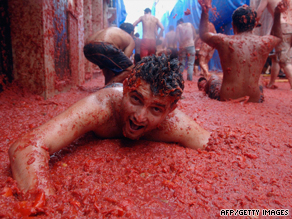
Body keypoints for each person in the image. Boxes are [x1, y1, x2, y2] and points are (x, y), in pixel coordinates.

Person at [8, 54, 210, 199]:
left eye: (155, 109)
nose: (139, 117)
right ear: (126, 90)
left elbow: (211, 145)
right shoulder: (99, 108)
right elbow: (26, 146)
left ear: (170, 110)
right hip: (110, 91)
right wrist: (44, 205)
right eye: (136, 99)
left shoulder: (175, 124)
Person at [199, 0, 287, 102]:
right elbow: (277, 36)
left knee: (213, 78)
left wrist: (205, 12)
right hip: (255, 98)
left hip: (226, 96)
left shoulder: (224, 41)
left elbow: (204, 34)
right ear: (254, 24)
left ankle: (203, 84)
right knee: (259, 81)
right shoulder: (263, 42)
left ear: (233, 25)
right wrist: (277, 14)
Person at [256, 0, 292, 90]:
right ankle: (271, 83)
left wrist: (255, 22)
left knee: (284, 61)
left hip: (282, 27)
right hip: (289, 26)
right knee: (277, 57)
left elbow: (259, 12)